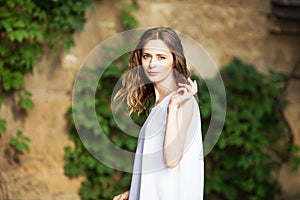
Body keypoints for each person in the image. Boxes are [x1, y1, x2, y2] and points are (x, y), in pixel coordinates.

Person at [113, 27, 204, 200]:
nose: (152, 64)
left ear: (174, 61)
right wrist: (136, 192)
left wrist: (173, 107)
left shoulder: (183, 102)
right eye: (147, 56)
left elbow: (171, 159)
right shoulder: (160, 104)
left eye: (161, 57)